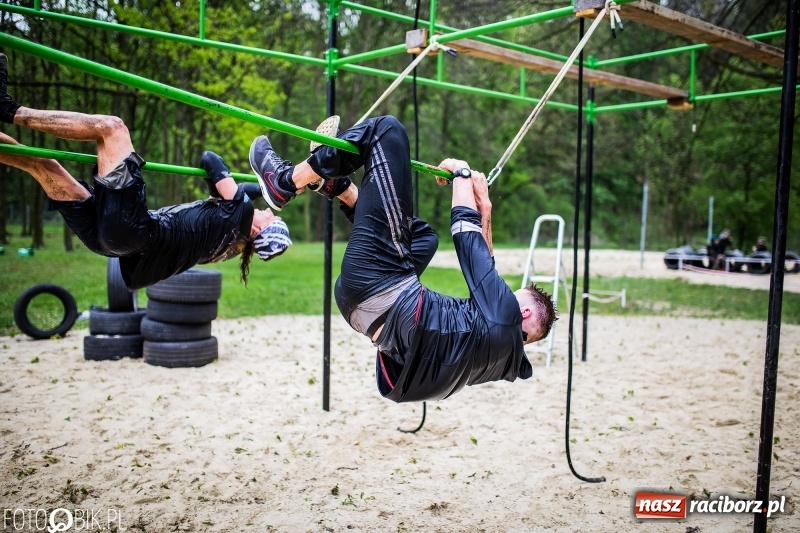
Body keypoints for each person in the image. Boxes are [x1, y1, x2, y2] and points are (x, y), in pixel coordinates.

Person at [248, 115, 558, 402]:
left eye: (511, 299)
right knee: (424, 239)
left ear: (526, 313)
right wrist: (485, 211)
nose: (504, 298)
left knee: (387, 131)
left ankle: (285, 181)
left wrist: (462, 173)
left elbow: (467, 240)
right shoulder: (497, 360)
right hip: (363, 311)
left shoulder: (505, 319)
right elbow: (486, 273)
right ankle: (338, 186)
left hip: (377, 284)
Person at [0, 54, 290, 290]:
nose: (270, 212)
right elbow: (236, 193)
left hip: (132, 228)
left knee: (112, 129)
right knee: (43, 165)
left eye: (273, 217)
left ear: (262, 229)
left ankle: (9, 109)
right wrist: (266, 189)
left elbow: (210, 160)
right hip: (113, 244)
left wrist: (271, 188)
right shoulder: (231, 245)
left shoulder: (239, 212)